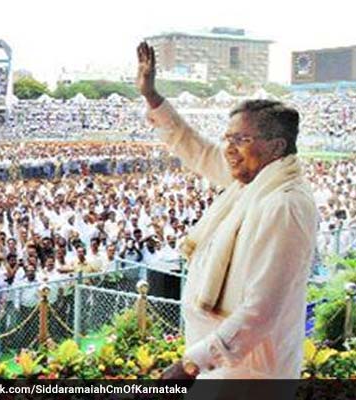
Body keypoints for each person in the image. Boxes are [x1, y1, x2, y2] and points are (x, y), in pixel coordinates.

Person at [136, 41, 317, 379]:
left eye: (240, 140)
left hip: (251, 373)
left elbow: (261, 311)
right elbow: (200, 151)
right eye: (228, 138)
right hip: (223, 363)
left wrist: (192, 365)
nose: (228, 150)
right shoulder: (252, 183)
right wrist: (152, 98)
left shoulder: (284, 204)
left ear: (276, 147)